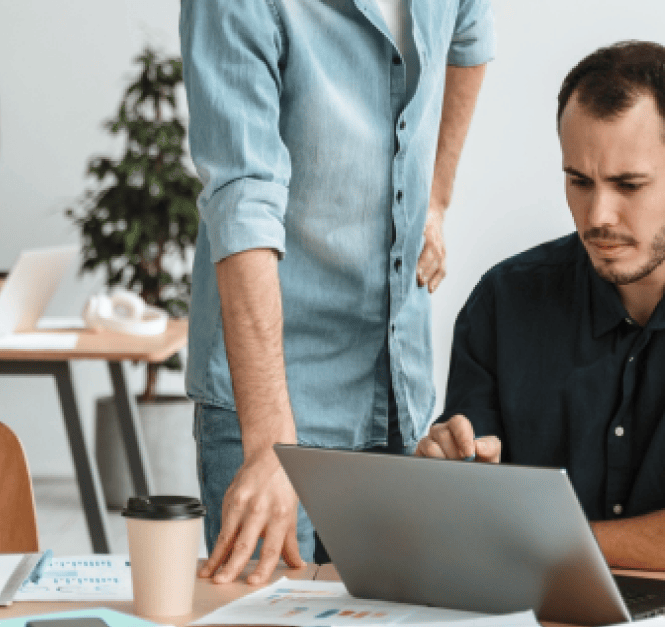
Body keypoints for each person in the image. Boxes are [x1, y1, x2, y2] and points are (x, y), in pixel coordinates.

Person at [414, 41, 665, 573]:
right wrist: (449, 477)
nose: (598, 215)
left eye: (628, 185)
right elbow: (471, 515)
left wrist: (543, 538)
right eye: (578, 182)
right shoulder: (504, 299)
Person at [180, 0, 493, 584]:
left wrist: (437, 201)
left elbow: (471, 37)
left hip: (399, 385)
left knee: (396, 616)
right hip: (272, 397)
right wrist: (270, 444)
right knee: (264, 617)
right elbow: (242, 202)